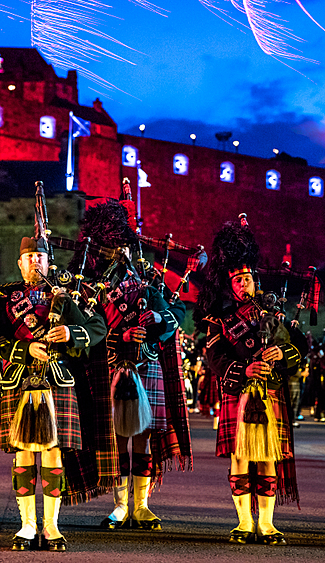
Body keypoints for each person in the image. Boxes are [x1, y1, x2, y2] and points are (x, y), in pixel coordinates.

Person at [73, 199, 190, 532]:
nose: (119, 252)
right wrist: (121, 335)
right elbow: (87, 322)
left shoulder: (148, 278)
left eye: (122, 246)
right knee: (115, 438)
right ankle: (121, 506)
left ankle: (141, 506)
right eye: (114, 246)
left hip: (145, 363)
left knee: (143, 438)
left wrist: (157, 318)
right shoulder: (89, 280)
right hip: (110, 364)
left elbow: (177, 314)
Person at [195, 215, 307, 546]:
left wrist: (280, 356)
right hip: (239, 392)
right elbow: (214, 358)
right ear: (230, 285)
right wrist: (243, 370)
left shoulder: (275, 315)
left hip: (270, 392)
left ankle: (268, 524)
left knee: (270, 456)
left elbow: (300, 347)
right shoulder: (220, 320)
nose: (244, 284)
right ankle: (244, 522)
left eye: (248, 279)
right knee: (241, 457)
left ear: (255, 280)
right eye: (238, 281)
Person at [0, 235, 106, 552]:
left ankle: (51, 527)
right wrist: (26, 349)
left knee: (54, 455)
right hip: (21, 380)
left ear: (48, 261)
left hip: (58, 378)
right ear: (20, 262)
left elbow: (97, 328)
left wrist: (70, 331)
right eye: (29, 258)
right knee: (25, 454)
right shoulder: (6, 297)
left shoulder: (67, 295)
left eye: (40, 257)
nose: (35, 262)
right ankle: (27, 526)